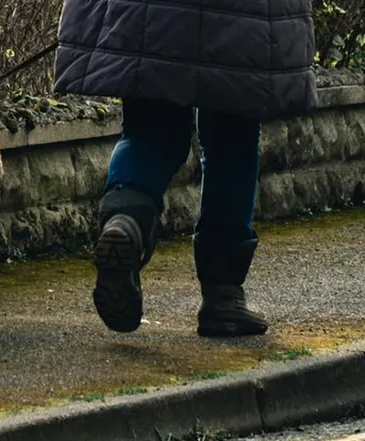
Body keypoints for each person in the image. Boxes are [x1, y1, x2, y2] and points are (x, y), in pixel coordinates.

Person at [52, 1, 318, 336]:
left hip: (152, 17)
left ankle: (125, 220)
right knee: (231, 141)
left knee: (150, 132)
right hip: (241, 22)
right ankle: (223, 296)